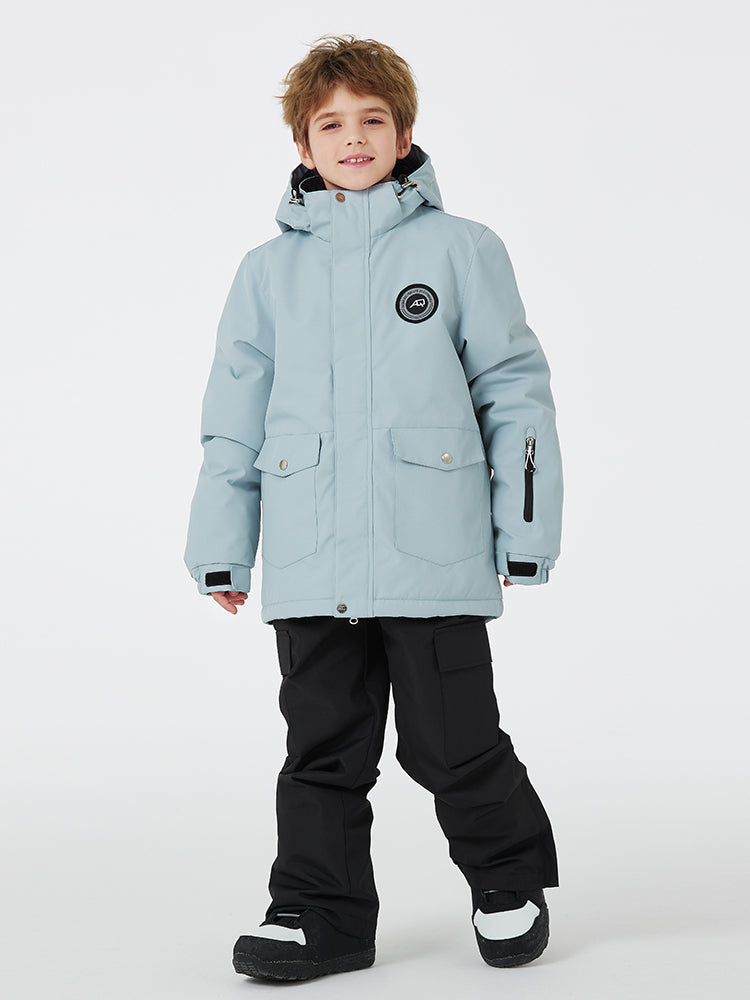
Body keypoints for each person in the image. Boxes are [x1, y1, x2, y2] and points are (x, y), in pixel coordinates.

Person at [183, 33, 564, 983]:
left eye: (372, 120)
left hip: (430, 552)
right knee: (321, 749)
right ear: (302, 145)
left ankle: (507, 880)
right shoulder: (266, 271)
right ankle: (319, 915)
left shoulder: (463, 249)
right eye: (330, 124)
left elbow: (514, 394)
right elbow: (233, 416)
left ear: (405, 133)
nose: (353, 138)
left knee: (453, 742)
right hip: (310, 554)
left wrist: (523, 532)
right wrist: (223, 545)